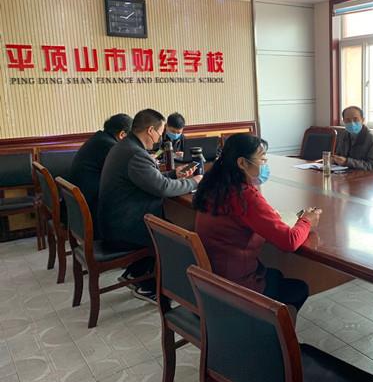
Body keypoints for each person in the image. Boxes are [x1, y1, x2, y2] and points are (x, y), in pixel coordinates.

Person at [193, 133, 320, 312]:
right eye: (262, 159)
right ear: (242, 163)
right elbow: (289, 241)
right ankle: (270, 330)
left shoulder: (215, 185)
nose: (265, 164)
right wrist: (307, 220)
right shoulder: (243, 195)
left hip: (213, 278)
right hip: (235, 287)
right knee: (298, 289)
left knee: (276, 274)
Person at [99, 109, 201, 302]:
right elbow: (162, 188)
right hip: (124, 227)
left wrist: (174, 175)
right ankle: (149, 286)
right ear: (150, 130)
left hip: (115, 220)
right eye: (160, 133)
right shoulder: (135, 154)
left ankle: (135, 273)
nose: (160, 138)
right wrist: (193, 182)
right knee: (176, 235)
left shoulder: (125, 146)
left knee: (170, 221)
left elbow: (149, 179)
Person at [69, 113, 132, 236]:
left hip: (82, 200)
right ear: (122, 135)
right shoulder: (109, 146)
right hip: (93, 205)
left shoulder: (100, 138)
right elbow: (127, 172)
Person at [333, 106, 373, 172]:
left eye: (355, 119)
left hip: (365, 176)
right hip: (345, 174)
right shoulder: (343, 135)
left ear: (363, 120)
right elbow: (338, 156)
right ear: (344, 121)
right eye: (348, 120)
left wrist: (347, 162)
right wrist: (334, 160)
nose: (352, 123)